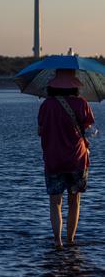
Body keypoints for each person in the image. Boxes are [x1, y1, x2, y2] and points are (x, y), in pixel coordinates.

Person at [38, 69, 95, 248]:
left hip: (54, 160)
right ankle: (70, 240)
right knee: (74, 200)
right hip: (77, 159)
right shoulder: (82, 104)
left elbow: (41, 131)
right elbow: (88, 128)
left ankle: (57, 242)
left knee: (55, 202)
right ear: (75, 85)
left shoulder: (46, 105)